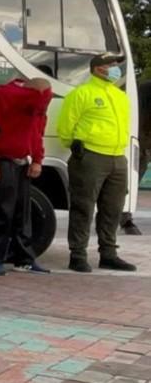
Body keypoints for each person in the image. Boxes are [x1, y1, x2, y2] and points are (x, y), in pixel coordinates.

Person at [58, 54, 137, 273]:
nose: (115, 68)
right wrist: (73, 144)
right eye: (110, 64)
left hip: (118, 157)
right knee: (83, 207)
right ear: (97, 69)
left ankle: (108, 254)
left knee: (113, 209)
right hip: (90, 156)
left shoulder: (120, 96)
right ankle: (78, 255)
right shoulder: (82, 93)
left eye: (116, 64)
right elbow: (66, 125)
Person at [0, 77, 53, 276]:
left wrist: (38, 159)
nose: (43, 106)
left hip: (23, 161)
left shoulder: (37, 103)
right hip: (4, 161)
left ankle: (24, 259)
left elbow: (38, 131)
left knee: (23, 213)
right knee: (2, 212)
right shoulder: (1, 95)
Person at [119, 78, 150, 235]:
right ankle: (124, 218)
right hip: (139, 143)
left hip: (144, 143)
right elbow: (140, 117)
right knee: (129, 182)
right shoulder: (145, 89)